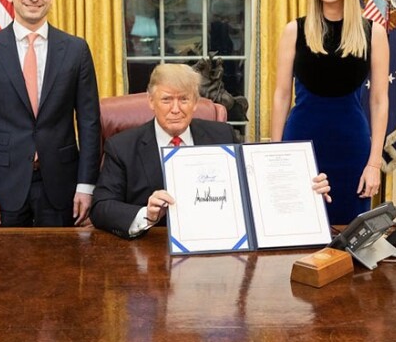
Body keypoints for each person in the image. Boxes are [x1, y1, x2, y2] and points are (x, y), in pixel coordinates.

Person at [90, 64, 331, 239]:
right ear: (151, 102)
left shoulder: (221, 135)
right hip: (151, 252)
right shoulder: (122, 146)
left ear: (195, 103)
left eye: (184, 99)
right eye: (166, 100)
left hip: (217, 248)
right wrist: (147, 214)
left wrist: (304, 186)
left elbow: (256, 185)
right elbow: (101, 207)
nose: (176, 109)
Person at [0, 0, 100, 229]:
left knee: (61, 267)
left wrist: (86, 186)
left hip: (62, 185)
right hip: (3, 186)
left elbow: (89, 123)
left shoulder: (76, 50)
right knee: (7, 268)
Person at [271, 0, 389, 225]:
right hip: (300, 144)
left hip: (353, 148)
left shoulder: (373, 32)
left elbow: (380, 100)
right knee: (297, 228)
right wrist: (274, 155)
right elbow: (281, 95)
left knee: (351, 235)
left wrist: (374, 164)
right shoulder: (294, 30)